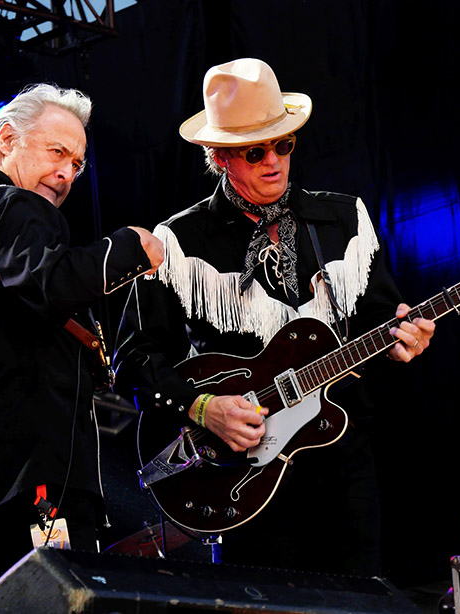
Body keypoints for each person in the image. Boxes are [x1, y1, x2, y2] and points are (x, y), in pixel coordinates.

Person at [113, 58, 435, 575]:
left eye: (283, 144)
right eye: (254, 151)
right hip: (242, 475)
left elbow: (381, 324)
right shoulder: (177, 242)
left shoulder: (343, 219)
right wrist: (201, 408)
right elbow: (131, 359)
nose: (274, 161)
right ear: (218, 157)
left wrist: (406, 340)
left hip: (342, 460)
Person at [0, 83, 164, 607]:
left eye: (77, 162)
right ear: (7, 139)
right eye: (57, 152)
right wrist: (131, 246)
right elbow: (55, 282)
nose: (68, 173)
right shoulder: (9, 203)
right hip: (31, 471)